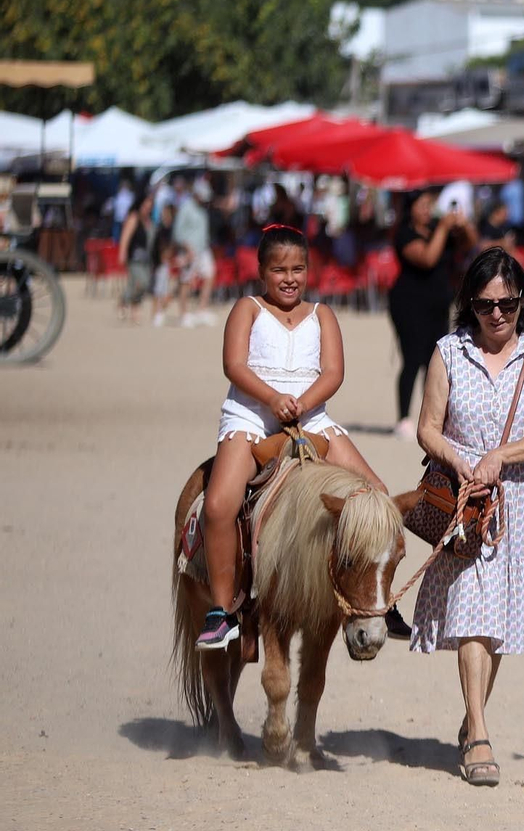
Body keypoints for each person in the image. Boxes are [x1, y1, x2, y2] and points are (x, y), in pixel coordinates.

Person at [411, 247, 524, 786]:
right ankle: (478, 732)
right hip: (463, 499)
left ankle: (470, 717)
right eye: (485, 305)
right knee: (473, 609)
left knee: (496, 621)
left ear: (523, 301)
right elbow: (428, 426)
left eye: (507, 303)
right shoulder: (448, 353)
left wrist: (501, 456)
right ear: (468, 305)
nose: (497, 314)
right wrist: (462, 459)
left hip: (517, 503)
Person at [195, 225, 387, 649]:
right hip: (251, 417)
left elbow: (334, 372)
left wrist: (302, 401)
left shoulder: (322, 314)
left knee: (377, 494)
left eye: (298, 268)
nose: (289, 278)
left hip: (311, 417)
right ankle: (222, 609)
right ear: (261, 271)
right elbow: (234, 365)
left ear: (309, 270)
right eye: (279, 269)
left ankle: (377, 600)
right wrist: (272, 397)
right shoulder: (248, 308)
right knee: (219, 504)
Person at [392, 190, 476, 440]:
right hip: (408, 304)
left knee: (436, 363)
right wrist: (443, 228)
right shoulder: (405, 234)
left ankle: (431, 416)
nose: (427, 210)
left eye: (430, 205)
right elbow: (427, 258)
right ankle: (403, 417)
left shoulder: (439, 229)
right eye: (422, 205)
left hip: (438, 305)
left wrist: (463, 224)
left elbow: (469, 244)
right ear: (411, 209)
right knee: (412, 359)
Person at [172, 176, 216, 326]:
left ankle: (201, 309)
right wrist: (187, 249)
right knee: (185, 281)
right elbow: (177, 233)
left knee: (209, 275)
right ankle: (183, 314)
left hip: (203, 249)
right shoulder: (186, 208)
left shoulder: (203, 209)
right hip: (188, 251)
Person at [117, 194, 156, 323]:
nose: (148, 208)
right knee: (141, 282)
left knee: (140, 285)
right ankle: (124, 299)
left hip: (146, 259)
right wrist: (122, 253)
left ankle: (135, 312)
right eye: (146, 205)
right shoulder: (134, 218)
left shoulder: (149, 221)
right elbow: (125, 236)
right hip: (134, 258)